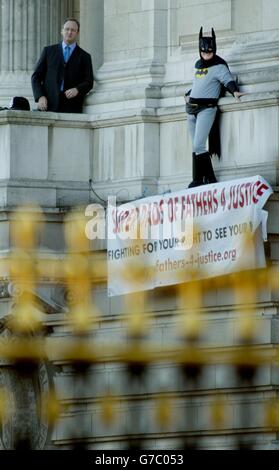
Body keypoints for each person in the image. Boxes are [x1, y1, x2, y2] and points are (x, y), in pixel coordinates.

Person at [185, 27, 245, 188]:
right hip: (191, 110)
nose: (206, 55)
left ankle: (204, 180)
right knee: (195, 146)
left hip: (206, 108)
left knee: (198, 145)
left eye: (209, 53)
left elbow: (227, 80)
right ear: (200, 51)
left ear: (214, 50)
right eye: (204, 53)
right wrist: (188, 94)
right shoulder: (198, 64)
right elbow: (198, 83)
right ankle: (202, 179)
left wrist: (235, 92)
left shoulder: (219, 65)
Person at [31, 18, 93, 113]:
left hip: (72, 106)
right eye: (67, 29)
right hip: (48, 104)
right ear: (62, 31)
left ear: (77, 33)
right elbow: (36, 77)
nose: (69, 32)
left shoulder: (85, 56)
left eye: (73, 30)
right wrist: (40, 96)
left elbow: (89, 81)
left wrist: (77, 89)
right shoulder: (48, 51)